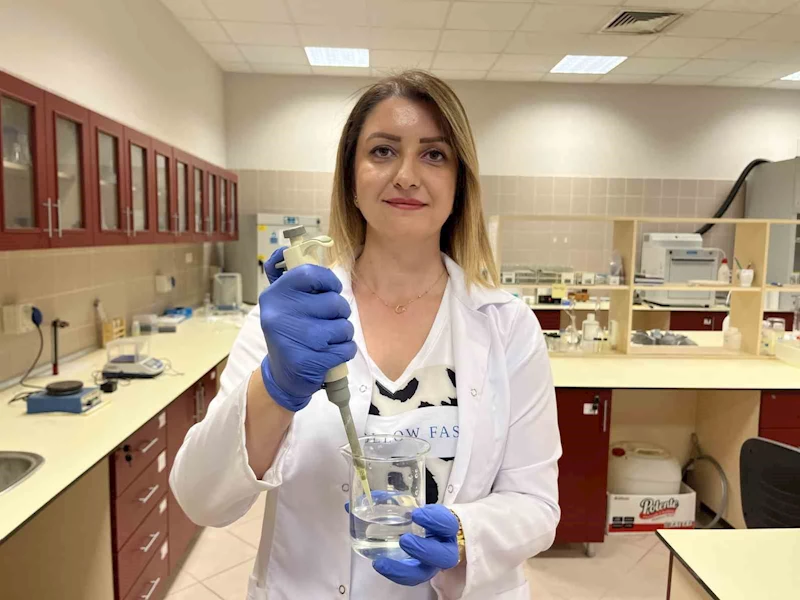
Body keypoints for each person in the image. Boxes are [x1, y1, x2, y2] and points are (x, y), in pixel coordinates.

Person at [170, 70, 561, 600]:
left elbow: (536, 505)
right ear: (351, 178)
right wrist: (276, 387)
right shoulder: (296, 318)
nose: (406, 175)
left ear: (459, 184)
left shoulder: (507, 326)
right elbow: (200, 499)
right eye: (382, 151)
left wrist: (464, 533)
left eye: (434, 154)